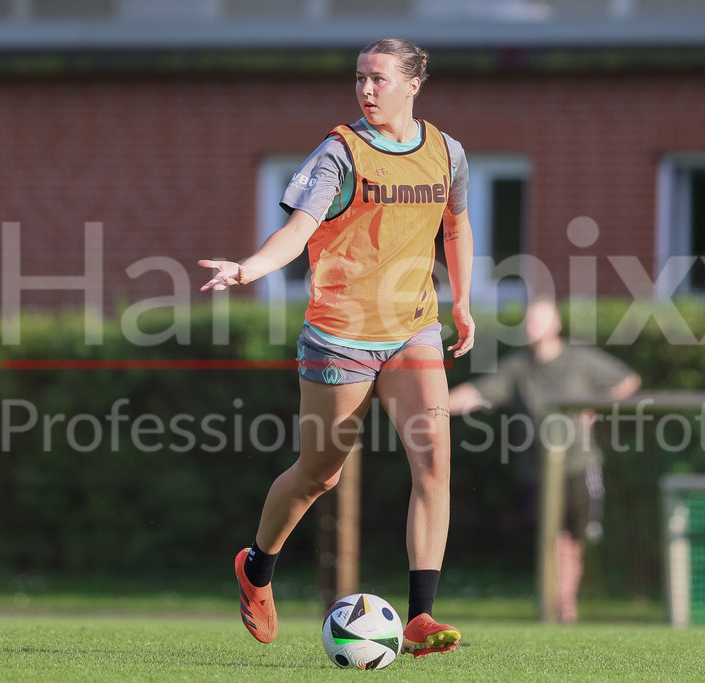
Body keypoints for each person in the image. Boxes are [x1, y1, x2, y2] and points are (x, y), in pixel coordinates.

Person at [199, 38, 475, 657]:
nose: (366, 91)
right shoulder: (339, 154)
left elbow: (455, 225)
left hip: (413, 327)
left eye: (378, 80)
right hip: (340, 333)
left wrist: (461, 302)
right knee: (320, 474)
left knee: (435, 464)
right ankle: (257, 567)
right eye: (359, 80)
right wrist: (248, 269)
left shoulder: (446, 153)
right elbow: (297, 231)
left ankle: (421, 617)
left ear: (413, 84)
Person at [448, 299, 640, 623]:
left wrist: (595, 405)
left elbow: (627, 381)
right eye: (528, 321)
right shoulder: (517, 368)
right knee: (551, 540)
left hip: (578, 465)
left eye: (538, 321)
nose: (530, 327)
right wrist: (434, 404)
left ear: (556, 325)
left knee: (572, 540)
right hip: (537, 471)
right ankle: (557, 605)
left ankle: (565, 604)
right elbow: (478, 393)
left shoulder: (579, 359)